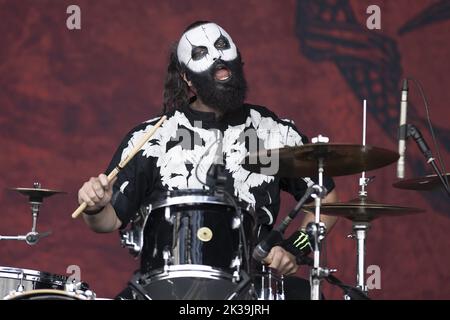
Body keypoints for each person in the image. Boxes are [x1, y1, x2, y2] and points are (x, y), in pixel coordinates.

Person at [78, 21, 338, 299]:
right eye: (201, 52)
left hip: (254, 283)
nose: (216, 56)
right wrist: (95, 206)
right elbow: (109, 221)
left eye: (222, 46)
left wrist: (294, 249)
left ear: (237, 56)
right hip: (168, 286)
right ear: (187, 78)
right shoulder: (153, 137)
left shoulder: (273, 131)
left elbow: (326, 201)